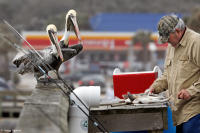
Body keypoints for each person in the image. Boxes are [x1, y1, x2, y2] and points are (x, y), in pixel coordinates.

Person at [149, 14, 200, 133]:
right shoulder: (172, 45)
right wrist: (155, 87)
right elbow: (168, 73)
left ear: (177, 31)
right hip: (177, 111)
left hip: (194, 111)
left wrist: (191, 91)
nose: (167, 42)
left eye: (168, 38)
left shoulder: (196, 42)